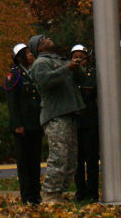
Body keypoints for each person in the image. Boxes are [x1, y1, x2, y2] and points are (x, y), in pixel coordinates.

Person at [29, 34, 85, 204]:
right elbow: (45, 81)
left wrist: (77, 66)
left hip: (68, 114)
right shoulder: (40, 63)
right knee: (59, 156)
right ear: (38, 48)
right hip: (55, 116)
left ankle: (59, 192)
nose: (48, 38)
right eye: (43, 38)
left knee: (70, 159)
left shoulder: (60, 60)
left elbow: (81, 78)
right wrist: (67, 68)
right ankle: (49, 194)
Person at [4, 43, 42, 205]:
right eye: (26, 53)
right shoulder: (15, 74)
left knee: (35, 161)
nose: (30, 55)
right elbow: (12, 102)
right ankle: (26, 195)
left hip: (35, 123)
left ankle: (35, 194)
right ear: (19, 57)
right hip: (22, 126)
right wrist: (18, 124)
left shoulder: (33, 72)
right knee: (24, 162)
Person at [71, 44, 99, 202]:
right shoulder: (69, 74)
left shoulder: (93, 74)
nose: (77, 59)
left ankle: (93, 191)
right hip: (75, 121)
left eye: (80, 56)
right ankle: (80, 191)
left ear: (86, 58)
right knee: (77, 161)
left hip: (89, 121)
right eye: (74, 56)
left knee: (92, 159)